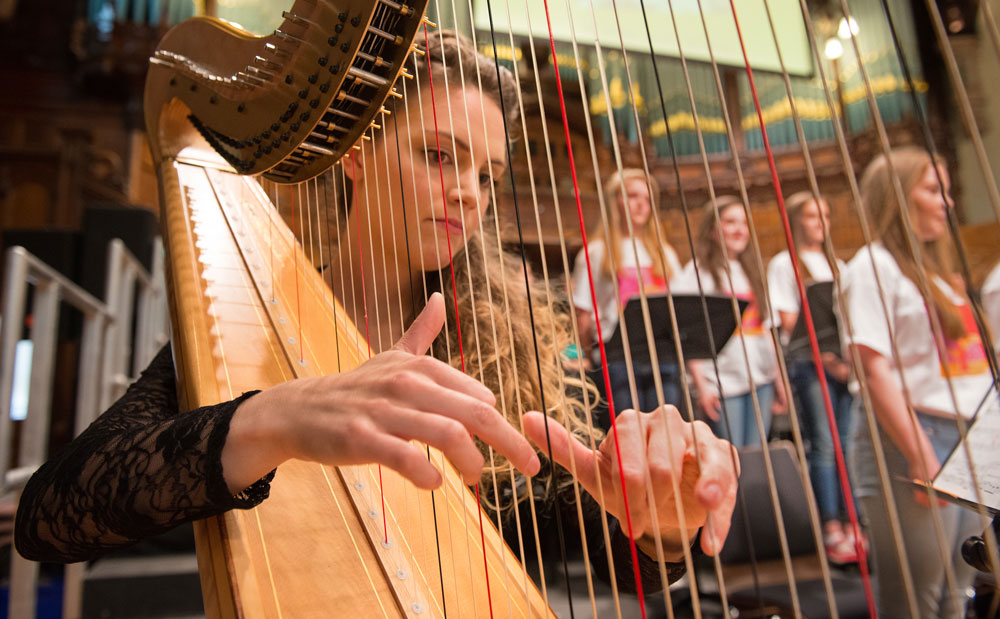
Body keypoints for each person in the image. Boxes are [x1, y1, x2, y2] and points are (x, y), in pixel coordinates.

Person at [15, 31, 739, 597]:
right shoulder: (249, 327)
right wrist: (278, 416)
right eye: (437, 155)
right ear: (358, 152)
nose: (469, 193)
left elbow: (544, 534)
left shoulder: (495, 338)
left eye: (485, 174)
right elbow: (49, 517)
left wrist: (658, 527)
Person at [845, 147, 989, 617]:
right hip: (913, 437)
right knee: (917, 596)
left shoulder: (936, 273)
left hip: (969, 438)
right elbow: (873, 369)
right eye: (932, 190)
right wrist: (919, 452)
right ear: (897, 199)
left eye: (946, 190)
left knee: (959, 590)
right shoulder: (873, 266)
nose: (946, 201)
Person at [766, 191, 858, 564]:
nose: (820, 222)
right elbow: (789, 322)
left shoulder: (837, 264)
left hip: (842, 367)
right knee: (823, 444)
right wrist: (828, 358)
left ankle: (855, 524)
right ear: (795, 220)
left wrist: (844, 360)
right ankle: (831, 526)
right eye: (810, 215)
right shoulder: (784, 264)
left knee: (848, 446)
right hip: (810, 365)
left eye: (825, 214)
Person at [673, 196, 785, 449]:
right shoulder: (696, 272)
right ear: (713, 229)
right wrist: (701, 386)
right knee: (731, 456)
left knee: (758, 456)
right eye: (730, 222)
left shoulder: (752, 270)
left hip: (761, 378)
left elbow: (766, 328)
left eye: (743, 223)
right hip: (722, 381)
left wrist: (779, 379)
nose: (739, 229)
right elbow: (688, 334)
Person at [571, 168, 682, 420]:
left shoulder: (665, 253)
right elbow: (583, 314)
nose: (642, 204)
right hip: (617, 358)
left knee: (667, 431)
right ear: (615, 201)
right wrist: (590, 357)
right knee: (629, 433)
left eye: (647, 197)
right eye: (633, 196)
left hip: (661, 356)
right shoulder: (596, 252)